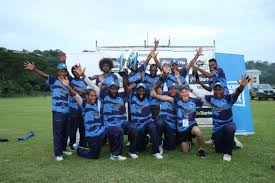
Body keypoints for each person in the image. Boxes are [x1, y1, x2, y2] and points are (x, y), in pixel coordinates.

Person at [59, 67, 127, 160]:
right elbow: (75, 94)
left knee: (118, 131)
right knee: (94, 155)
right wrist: (68, 86)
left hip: (102, 131)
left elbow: (94, 87)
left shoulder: (99, 103)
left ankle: (115, 155)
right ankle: (79, 149)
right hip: (92, 135)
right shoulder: (83, 103)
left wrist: (84, 75)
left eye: (95, 96)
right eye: (91, 96)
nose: (93, 97)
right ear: (87, 96)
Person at [24, 61, 72, 161]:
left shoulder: (68, 82)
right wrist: (34, 69)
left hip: (67, 111)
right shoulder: (54, 79)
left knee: (65, 132)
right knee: (58, 133)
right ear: (58, 72)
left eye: (65, 71)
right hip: (58, 111)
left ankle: (63, 149)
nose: (63, 73)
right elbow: (44, 75)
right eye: (61, 71)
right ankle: (58, 154)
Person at [202, 76, 250, 161]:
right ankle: (234, 143)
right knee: (218, 150)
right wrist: (190, 90)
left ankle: (228, 154)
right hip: (217, 129)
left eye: (220, 89)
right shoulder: (211, 98)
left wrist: (241, 87)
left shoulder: (228, 98)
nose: (218, 91)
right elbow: (200, 96)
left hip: (228, 124)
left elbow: (236, 94)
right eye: (216, 89)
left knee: (229, 129)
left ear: (223, 90)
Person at [124, 81, 163, 159]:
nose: (141, 92)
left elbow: (156, 85)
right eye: (139, 90)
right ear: (136, 91)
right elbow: (126, 89)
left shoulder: (148, 98)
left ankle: (156, 152)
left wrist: (163, 76)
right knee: (141, 148)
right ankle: (145, 140)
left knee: (153, 126)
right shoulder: (132, 98)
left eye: (143, 90)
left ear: (145, 91)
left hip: (147, 122)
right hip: (137, 124)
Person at [67, 64, 88, 150]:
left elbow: (88, 87)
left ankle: (83, 143)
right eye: (74, 71)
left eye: (78, 70)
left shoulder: (84, 80)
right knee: (73, 127)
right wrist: (63, 61)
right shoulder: (71, 80)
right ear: (72, 72)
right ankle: (72, 143)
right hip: (73, 108)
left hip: (83, 108)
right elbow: (67, 74)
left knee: (83, 126)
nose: (76, 72)